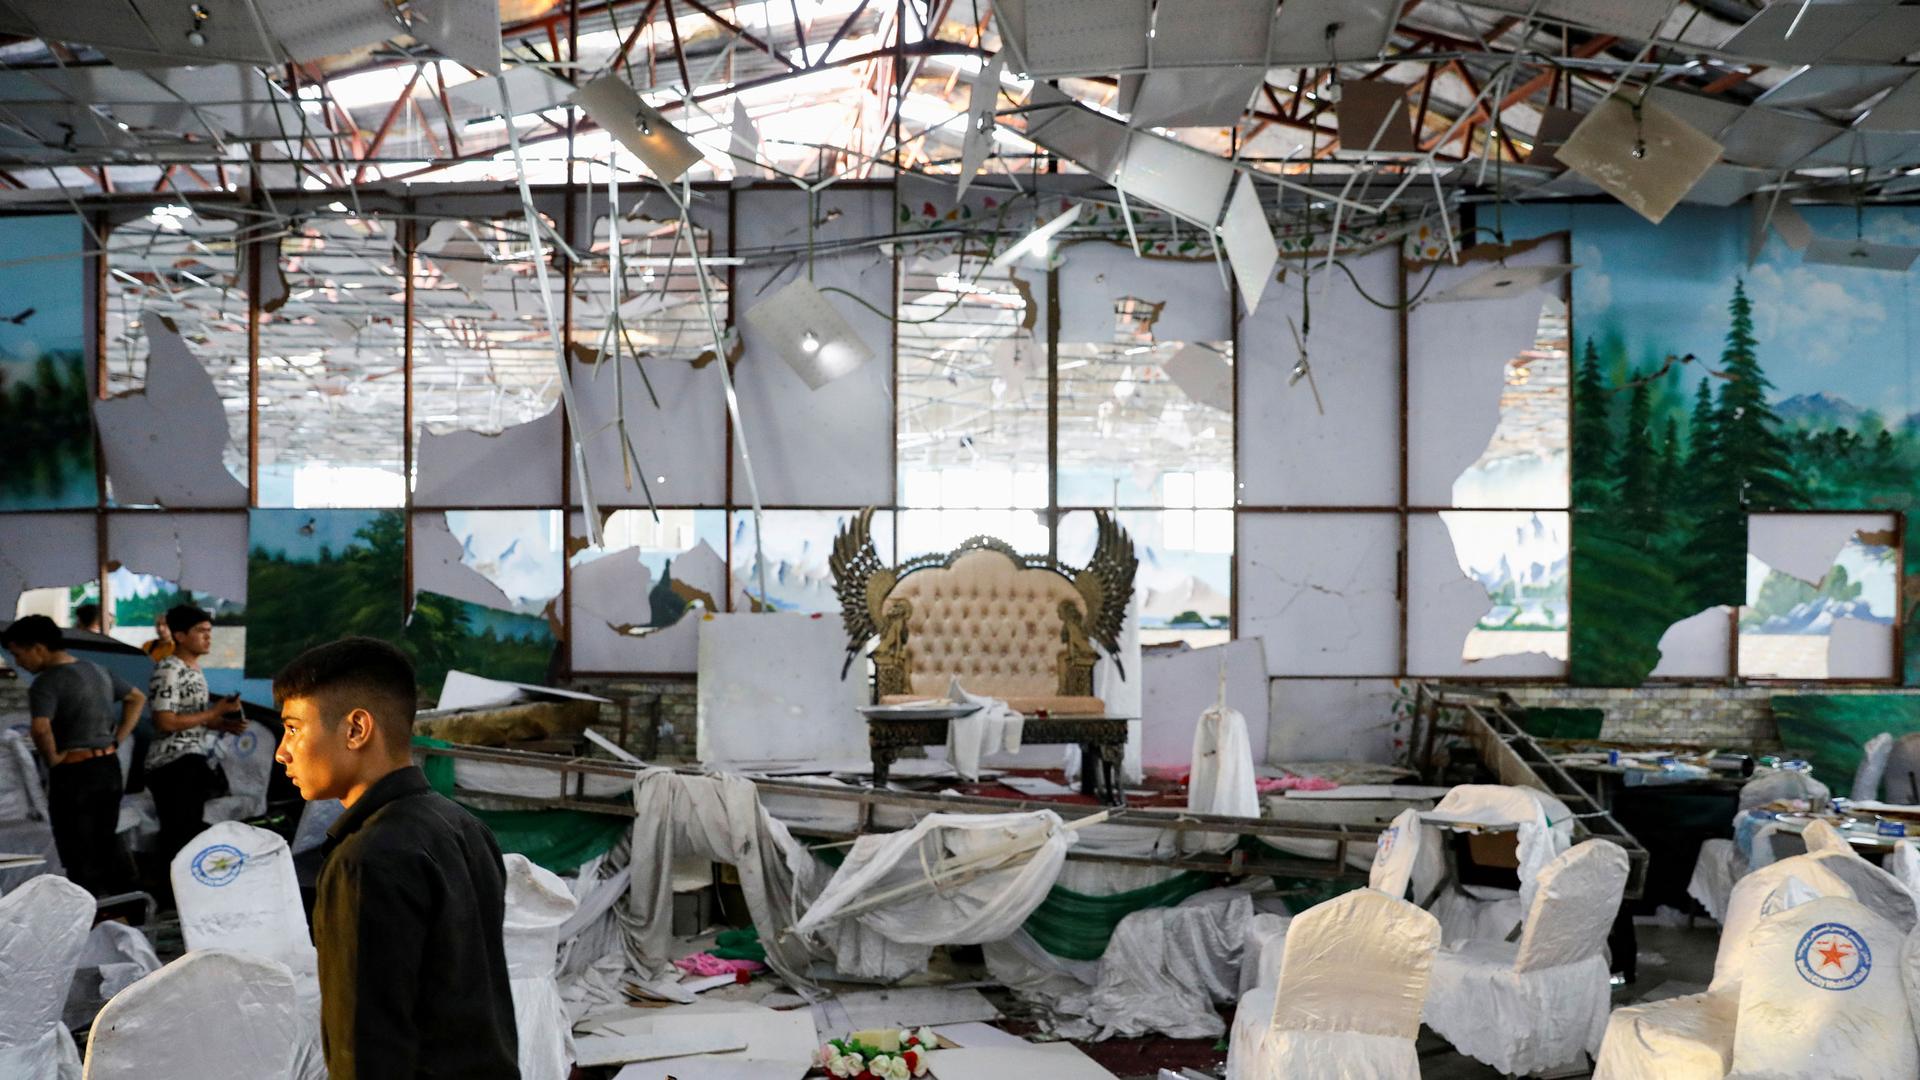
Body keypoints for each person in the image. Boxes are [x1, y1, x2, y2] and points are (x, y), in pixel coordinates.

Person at [272, 637, 517, 1079]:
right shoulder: (465, 827)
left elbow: (365, 1047)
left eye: (293, 728)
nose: (282, 751)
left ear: (356, 729)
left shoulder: (366, 859)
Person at [2, 615, 143, 895]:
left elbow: (41, 728)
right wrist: (118, 738)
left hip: (75, 775)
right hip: (108, 768)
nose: (18, 663)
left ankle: (86, 918)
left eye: (19, 654)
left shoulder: (46, 682)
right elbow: (137, 698)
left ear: (38, 648)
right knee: (105, 844)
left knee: (79, 854)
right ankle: (118, 912)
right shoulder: (98, 670)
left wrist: (53, 759)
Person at [146, 604, 245, 862]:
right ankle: (172, 895)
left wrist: (223, 723)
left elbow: (188, 719)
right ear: (179, 635)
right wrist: (213, 714)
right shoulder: (169, 668)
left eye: (209, 631)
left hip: (192, 759)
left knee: (189, 833)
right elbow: (165, 721)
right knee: (179, 836)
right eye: (200, 631)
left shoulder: (194, 670)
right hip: (172, 763)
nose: (208, 636)